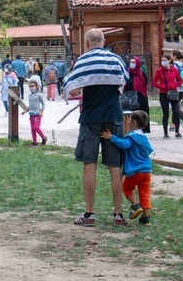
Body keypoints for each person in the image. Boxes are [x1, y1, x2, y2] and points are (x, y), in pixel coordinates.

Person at [65, 29, 129, 227]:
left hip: (90, 118)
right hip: (113, 117)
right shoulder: (115, 60)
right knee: (114, 166)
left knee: (89, 164)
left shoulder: (83, 62)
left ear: (86, 43)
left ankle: (89, 214)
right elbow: (123, 83)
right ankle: (118, 215)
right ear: (104, 41)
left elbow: (71, 88)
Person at [100, 110, 153, 226]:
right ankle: (146, 218)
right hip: (146, 170)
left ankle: (135, 206)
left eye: (129, 119)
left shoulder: (132, 136)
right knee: (144, 193)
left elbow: (124, 144)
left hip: (135, 170)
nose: (127, 121)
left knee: (127, 188)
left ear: (133, 122)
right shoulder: (143, 136)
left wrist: (111, 137)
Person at [152, 54, 183, 139]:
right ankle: (165, 133)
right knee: (166, 113)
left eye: (165, 60)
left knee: (176, 111)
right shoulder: (159, 71)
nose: (163, 62)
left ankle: (177, 132)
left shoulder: (174, 70)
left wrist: (175, 85)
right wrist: (162, 87)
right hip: (164, 94)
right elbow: (154, 82)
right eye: (162, 60)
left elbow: (180, 80)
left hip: (173, 93)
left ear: (169, 60)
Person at [124, 57, 150, 133]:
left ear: (138, 63)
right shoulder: (127, 73)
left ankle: (141, 130)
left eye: (133, 62)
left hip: (140, 97)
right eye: (130, 62)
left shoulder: (142, 74)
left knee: (140, 114)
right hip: (129, 98)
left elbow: (144, 85)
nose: (131, 64)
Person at [21, 81, 47, 147]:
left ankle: (44, 138)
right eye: (30, 86)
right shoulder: (30, 96)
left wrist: (41, 111)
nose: (31, 88)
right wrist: (25, 111)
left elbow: (43, 104)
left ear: (36, 87)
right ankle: (34, 142)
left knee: (36, 127)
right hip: (31, 114)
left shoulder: (39, 95)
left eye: (32, 86)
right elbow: (30, 105)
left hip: (37, 115)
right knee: (32, 129)